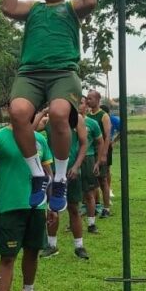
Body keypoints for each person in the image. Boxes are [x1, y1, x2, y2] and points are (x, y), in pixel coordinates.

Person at [2, 0, 97, 213]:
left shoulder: (70, 7)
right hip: (30, 73)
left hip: (63, 73)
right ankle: (37, 174)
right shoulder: (34, 9)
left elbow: (90, 1)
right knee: (18, 112)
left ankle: (60, 177)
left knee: (57, 113)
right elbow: (8, 7)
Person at [0, 115, 54, 291]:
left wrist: (52, 205)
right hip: (11, 207)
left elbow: (48, 174)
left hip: (37, 206)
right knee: (8, 256)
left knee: (32, 251)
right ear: (9, 110)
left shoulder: (40, 140)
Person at [41, 110, 91, 260]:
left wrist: (76, 166)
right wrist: (42, 113)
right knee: (51, 209)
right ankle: (51, 245)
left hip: (71, 171)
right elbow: (29, 130)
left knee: (74, 209)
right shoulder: (47, 120)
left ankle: (79, 246)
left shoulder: (78, 119)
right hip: (53, 171)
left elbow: (84, 144)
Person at [78, 96, 107, 235]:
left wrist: (98, 160)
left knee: (89, 193)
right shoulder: (66, 122)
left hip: (88, 159)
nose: (78, 105)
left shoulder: (92, 123)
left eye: (81, 103)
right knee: (73, 196)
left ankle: (91, 224)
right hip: (72, 160)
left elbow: (100, 141)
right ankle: (74, 223)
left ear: (86, 106)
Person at [84, 90, 112, 217]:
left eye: (90, 99)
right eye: (87, 99)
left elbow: (107, 136)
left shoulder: (103, 115)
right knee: (92, 181)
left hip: (101, 151)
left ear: (97, 100)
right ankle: (94, 205)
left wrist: (104, 154)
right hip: (90, 152)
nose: (88, 101)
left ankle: (106, 208)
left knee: (103, 180)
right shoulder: (87, 115)